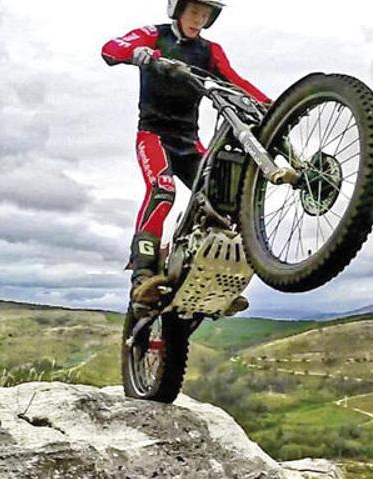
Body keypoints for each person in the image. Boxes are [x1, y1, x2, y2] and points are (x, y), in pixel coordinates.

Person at [102, 0, 270, 312]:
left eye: (206, 15)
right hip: (153, 136)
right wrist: (137, 54)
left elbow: (235, 81)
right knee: (162, 189)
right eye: (195, 12)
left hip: (189, 142)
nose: (199, 20)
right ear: (178, 9)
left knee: (221, 198)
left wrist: (272, 107)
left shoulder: (210, 51)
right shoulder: (155, 34)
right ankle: (142, 276)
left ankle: (215, 279)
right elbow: (111, 48)